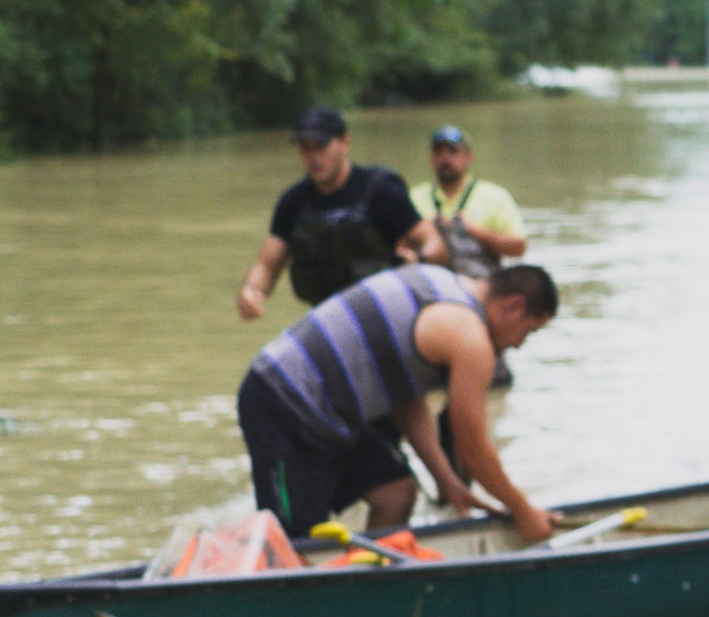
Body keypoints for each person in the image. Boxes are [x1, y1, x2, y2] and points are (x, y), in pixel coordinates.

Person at [238, 262, 560, 542]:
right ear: (514, 307)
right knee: (291, 538)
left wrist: (446, 480)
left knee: (396, 493)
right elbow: (472, 447)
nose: (518, 345)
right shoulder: (470, 336)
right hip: (281, 399)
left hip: (333, 412)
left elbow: (407, 399)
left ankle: (368, 591)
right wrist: (523, 512)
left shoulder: (440, 280)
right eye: (528, 332)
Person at [237, 106, 441, 320]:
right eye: (305, 148)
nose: (313, 156)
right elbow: (267, 265)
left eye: (321, 146)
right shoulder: (293, 203)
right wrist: (252, 291)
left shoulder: (380, 192)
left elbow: (435, 243)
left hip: (386, 313)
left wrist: (418, 257)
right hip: (326, 319)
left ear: (345, 143)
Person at [411, 124, 529, 283]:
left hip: (480, 284)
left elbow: (519, 247)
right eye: (439, 152)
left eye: (453, 152)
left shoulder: (494, 196)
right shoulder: (414, 197)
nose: (445, 159)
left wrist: (475, 231)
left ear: (469, 157)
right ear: (431, 158)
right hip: (427, 283)